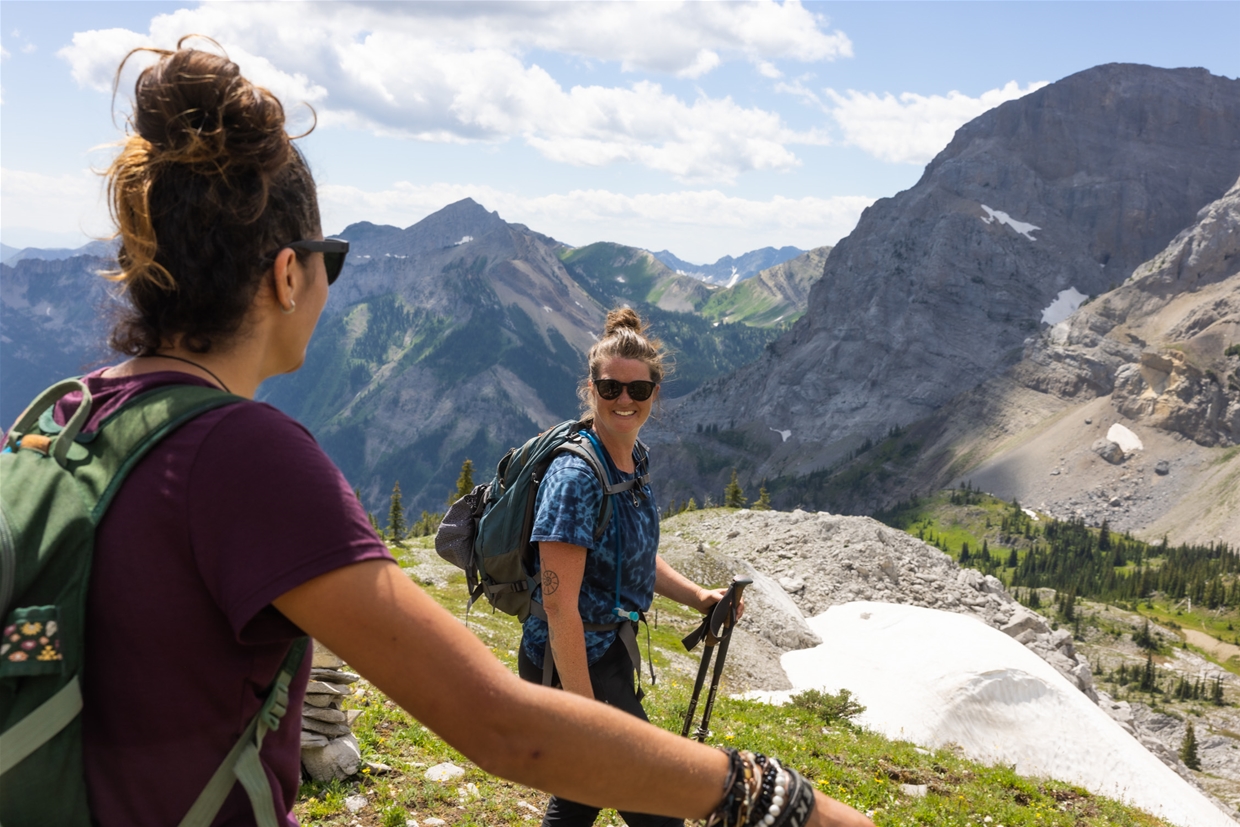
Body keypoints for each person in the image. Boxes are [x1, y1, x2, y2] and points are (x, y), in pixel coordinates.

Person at [32, 39, 873, 827]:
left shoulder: (62, 418)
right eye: (332, 258)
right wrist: (778, 798)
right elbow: (503, 727)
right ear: (288, 273)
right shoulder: (249, 460)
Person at [518, 308, 740, 827]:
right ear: (591, 389)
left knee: (582, 792)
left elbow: (631, 553)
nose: (624, 399)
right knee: (658, 802)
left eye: (637, 390)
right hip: (571, 663)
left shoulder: (631, 459)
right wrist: (586, 714)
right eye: (610, 387)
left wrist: (698, 597)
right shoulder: (576, 478)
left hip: (605, 653)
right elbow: (559, 606)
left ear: (653, 394)